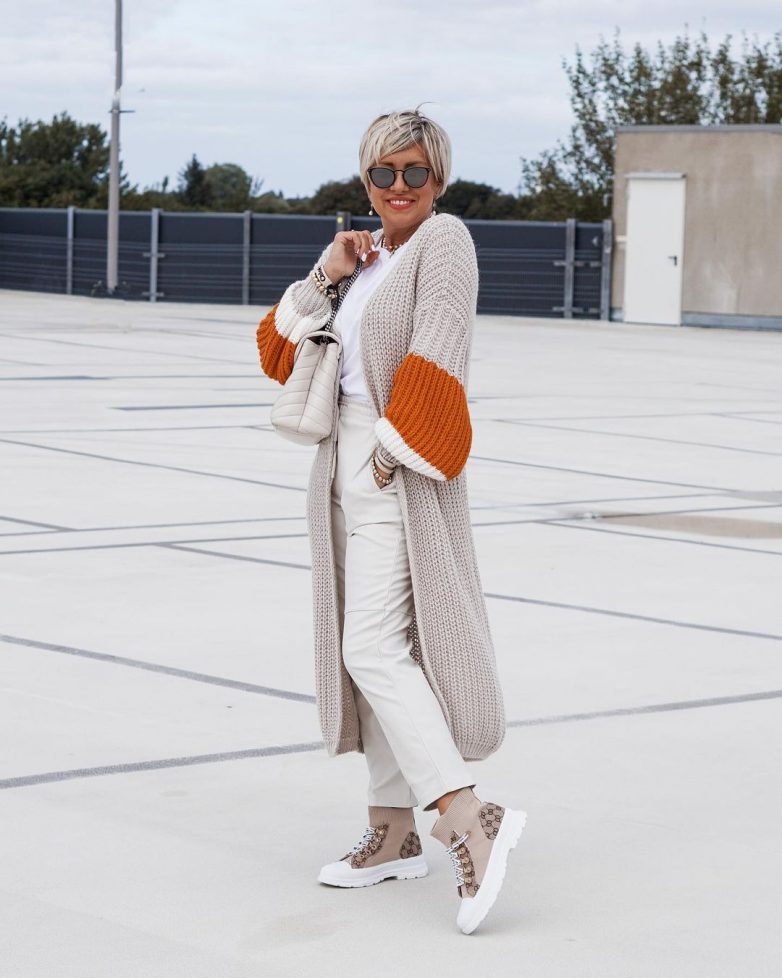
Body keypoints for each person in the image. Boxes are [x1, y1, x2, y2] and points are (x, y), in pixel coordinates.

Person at [256, 106, 526, 935]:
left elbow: (439, 349)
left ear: (437, 177)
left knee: (371, 648)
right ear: (365, 179)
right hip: (338, 473)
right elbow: (276, 350)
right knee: (371, 653)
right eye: (383, 172)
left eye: (414, 171)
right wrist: (328, 270)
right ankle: (394, 829)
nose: (399, 185)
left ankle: (467, 816)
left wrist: (388, 454)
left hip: (393, 470)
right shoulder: (366, 259)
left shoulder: (444, 242)